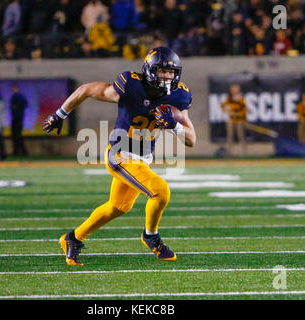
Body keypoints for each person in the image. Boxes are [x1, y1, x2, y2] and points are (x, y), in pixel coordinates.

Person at [42, 47, 196, 265]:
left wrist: (175, 127)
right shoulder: (131, 85)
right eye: (162, 71)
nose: (167, 77)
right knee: (160, 191)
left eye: (171, 72)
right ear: (151, 70)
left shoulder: (179, 95)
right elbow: (87, 89)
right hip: (120, 154)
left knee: (118, 207)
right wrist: (60, 114)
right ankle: (151, 236)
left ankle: (72, 238)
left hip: (142, 159)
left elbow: (191, 139)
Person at [221, 84, 247, 156]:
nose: (234, 90)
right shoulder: (229, 98)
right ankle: (229, 152)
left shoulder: (241, 98)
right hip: (231, 120)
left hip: (239, 120)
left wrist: (239, 115)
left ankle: (244, 152)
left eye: (235, 89)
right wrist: (226, 110)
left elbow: (244, 110)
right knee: (230, 137)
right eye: (233, 89)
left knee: (241, 136)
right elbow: (223, 107)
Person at [10, 84, 28, 156]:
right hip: (16, 118)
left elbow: (24, 104)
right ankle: (17, 151)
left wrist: (17, 107)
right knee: (15, 136)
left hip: (18, 118)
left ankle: (23, 152)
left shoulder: (19, 96)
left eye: (14, 89)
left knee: (17, 136)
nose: (13, 90)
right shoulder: (14, 96)